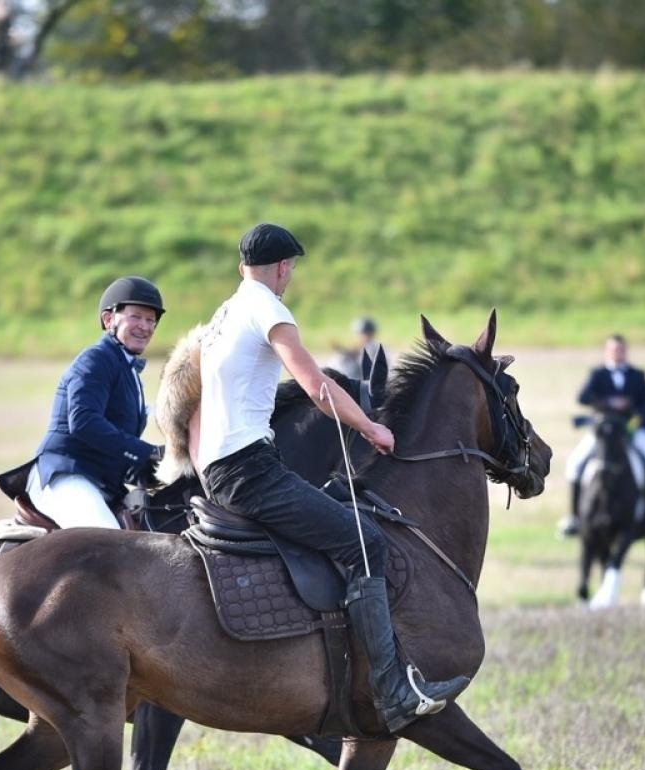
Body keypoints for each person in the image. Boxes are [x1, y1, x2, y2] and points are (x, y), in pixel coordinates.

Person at [196, 223, 467, 733]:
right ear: (282, 267)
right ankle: (391, 690)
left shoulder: (222, 316)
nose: (290, 277)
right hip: (249, 469)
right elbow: (315, 385)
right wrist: (370, 427)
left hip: (219, 468)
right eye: (292, 269)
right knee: (365, 541)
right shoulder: (269, 309)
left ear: (241, 268)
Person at [26, 277, 165, 529]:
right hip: (67, 475)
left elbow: (116, 444)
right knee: (109, 540)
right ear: (108, 319)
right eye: (136, 317)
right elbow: (84, 422)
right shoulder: (95, 359)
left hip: (103, 482)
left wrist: (165, 465)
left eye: (150, 320)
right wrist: (148, 452)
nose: (145, 327)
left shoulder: (129, 370)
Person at [558, 334, 645, 539]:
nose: (617, 353)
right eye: (613, 350)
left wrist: (632, 409)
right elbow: (582, 397)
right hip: (604, 432)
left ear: (625, 351)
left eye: (620, 349)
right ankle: (573, 517)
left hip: (631, 431)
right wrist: (608, 403)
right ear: (607, 352)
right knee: (575, 462)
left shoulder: (637, 375)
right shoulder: (597, 374)